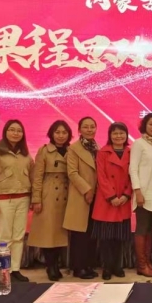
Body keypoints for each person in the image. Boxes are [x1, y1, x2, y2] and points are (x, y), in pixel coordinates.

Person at [0, 119, 33, 282]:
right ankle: (2, 271)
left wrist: (34, 197)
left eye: (19, 130)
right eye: (12, 130)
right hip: (5, 200)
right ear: (5, 132)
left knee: (18, 236)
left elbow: (32, 176)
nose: (15, 133)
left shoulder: (25, 154)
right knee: (4, 238)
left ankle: (15, 270)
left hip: (23, 199)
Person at [27, 120, 72, 281]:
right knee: (48, 232)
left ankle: (57, 265)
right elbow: (37, 176)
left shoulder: (72, 150)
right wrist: (36, 199)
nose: (61, 136)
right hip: (49, 195)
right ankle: (50, 266)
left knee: (60, 233)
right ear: (51, 134)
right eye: (57, 132)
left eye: (64, 132)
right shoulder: (44, 150)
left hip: (67, 193)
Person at [91, 122, 132, 280]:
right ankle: (107, 267)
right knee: (106, 238)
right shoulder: (103, 152)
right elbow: (101, 177)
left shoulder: (131, 152)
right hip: (106, 201)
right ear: (110, 135)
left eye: (122, 133)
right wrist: (112, 197)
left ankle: (117, 266)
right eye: (115, 133)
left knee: (119, 238)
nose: (118, 136)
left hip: (123, 201)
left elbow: (133, 175)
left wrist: (126, 195)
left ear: (126, 135)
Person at [63, 116, 99, 279]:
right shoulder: (73, 148)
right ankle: (78, 267)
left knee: (91, 233)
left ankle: (88, 265)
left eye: (92, 127)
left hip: (96, 196)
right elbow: (72, 173)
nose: (89, 130)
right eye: (86, 127)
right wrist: (87, 190)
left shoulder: (97, 147)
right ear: (79, 130)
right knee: (79, 234)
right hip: (81, 195)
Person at [129, 113, 152, 277]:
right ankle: (141, 265)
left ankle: (148, 263)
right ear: (145, 125)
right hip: (143, 192)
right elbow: (133, 169)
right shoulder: (139, 143)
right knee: (142, 229)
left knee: (150, 229)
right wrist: (137, 191)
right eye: (151, 124)